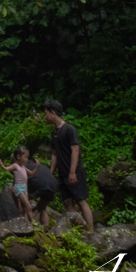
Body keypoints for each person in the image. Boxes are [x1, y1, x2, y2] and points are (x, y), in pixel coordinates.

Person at [41, 100, 95, 234]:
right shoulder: (54, 133)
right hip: (62, 173)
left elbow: (75, 150)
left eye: (46, 113)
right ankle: (78, 229)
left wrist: (72, 172)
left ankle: (91, 230)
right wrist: (50, 174)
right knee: (67, 202)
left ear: (53, 113)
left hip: (74, 171)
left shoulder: (69, 129)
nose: (45, 116)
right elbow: (54, 154)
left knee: (81, 200)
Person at [0, 147, 32, 221]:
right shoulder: (17, 167)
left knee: (24, 208)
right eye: (25, 157)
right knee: (25, 207)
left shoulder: (22, 167)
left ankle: (25, 222)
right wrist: (0, 164)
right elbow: (6, 169)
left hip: (22, 187)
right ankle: (28, 222)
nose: (26, 159)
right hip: (19, 188)